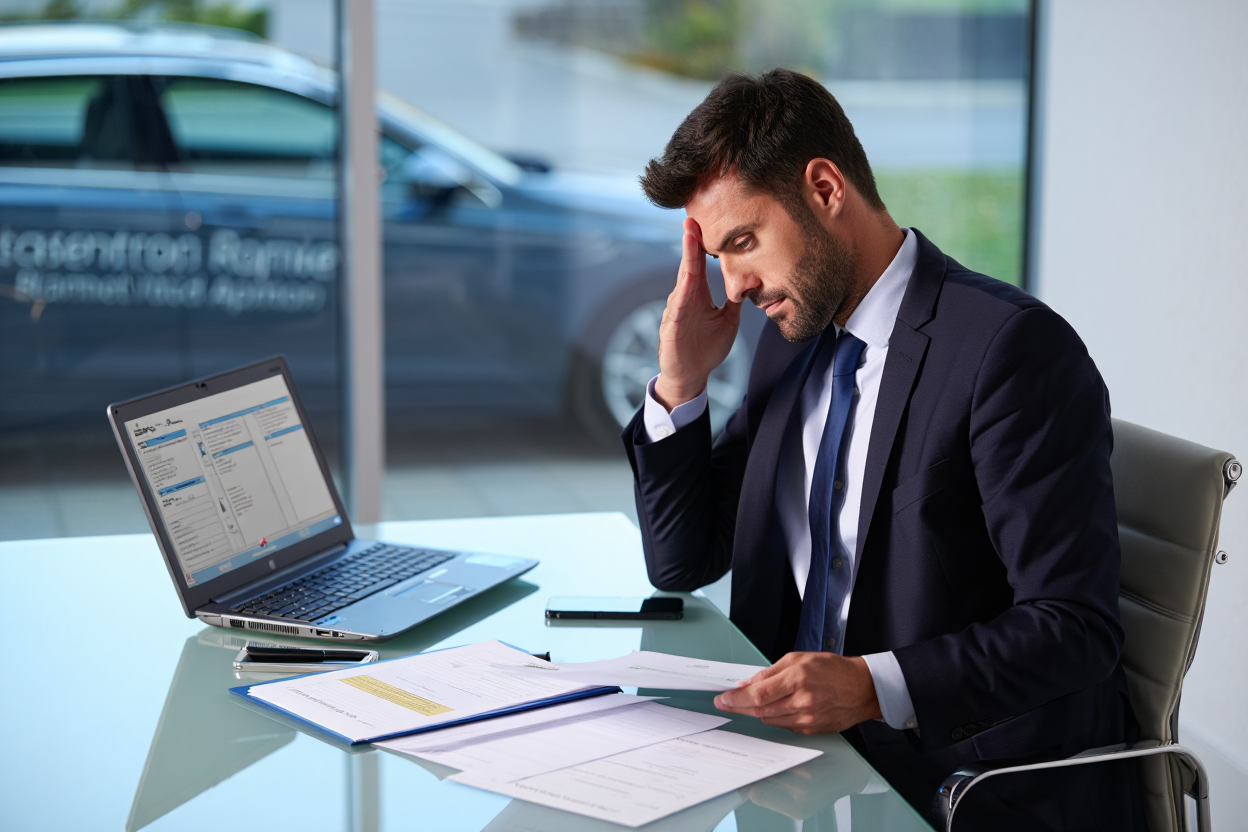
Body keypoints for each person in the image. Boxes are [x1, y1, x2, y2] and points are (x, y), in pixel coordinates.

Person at [624, 69, 1142, 829]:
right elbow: (683, 561)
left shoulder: (1009, 350)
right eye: (717, 258)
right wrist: (681, 384)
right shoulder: (789, 344)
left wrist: (872, 686)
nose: (732, 287)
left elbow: (1075, 627)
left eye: (743, 242)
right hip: (792, 769)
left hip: (956, 780)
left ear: (825, 189)